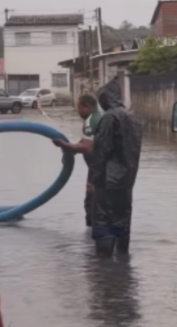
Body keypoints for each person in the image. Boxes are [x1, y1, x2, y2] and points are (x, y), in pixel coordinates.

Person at [53, 79, 142, 255]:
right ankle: (122, 272)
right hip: (127, 183)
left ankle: (104, 271)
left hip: (107, 183)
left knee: (103, 225)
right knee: (122, 222)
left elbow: (100, 152)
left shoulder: (108, 118)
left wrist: (93, 180)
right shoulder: (133, 118)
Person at [75, 94, 102, 228]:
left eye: (79, 108)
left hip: (96, 170)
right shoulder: (100, 117)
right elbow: (87, 140)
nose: (78, 111)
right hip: (103, 169)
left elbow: (88, 147)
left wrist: (68, 149)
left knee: (91, 202)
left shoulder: (91, 120)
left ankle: (92, 239)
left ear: (87, 107)